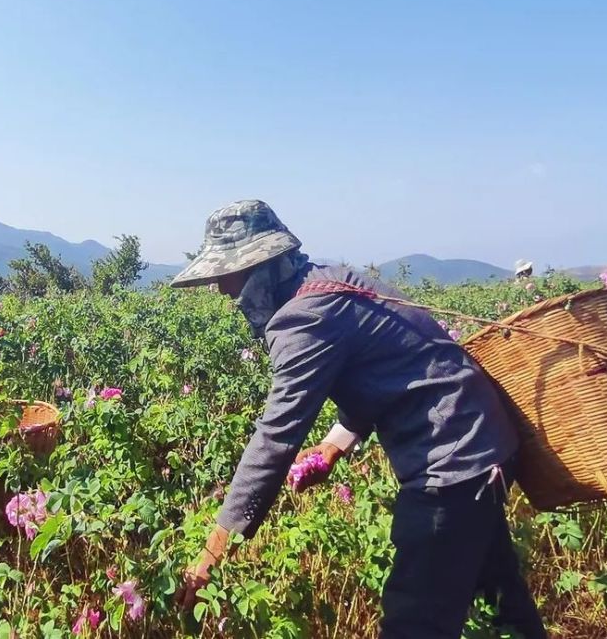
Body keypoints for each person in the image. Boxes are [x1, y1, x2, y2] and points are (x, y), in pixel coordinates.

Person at [172, 200, 546, 639]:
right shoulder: (329, 280)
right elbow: (389, 370)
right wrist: (335, 444)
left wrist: (214, 550)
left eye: (227, 273)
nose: (221, 288)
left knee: (414, 620)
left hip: (452, 462)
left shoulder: (301, 317)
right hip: (482, 444)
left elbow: (274, 440)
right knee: (502, 603)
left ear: (260, 266)